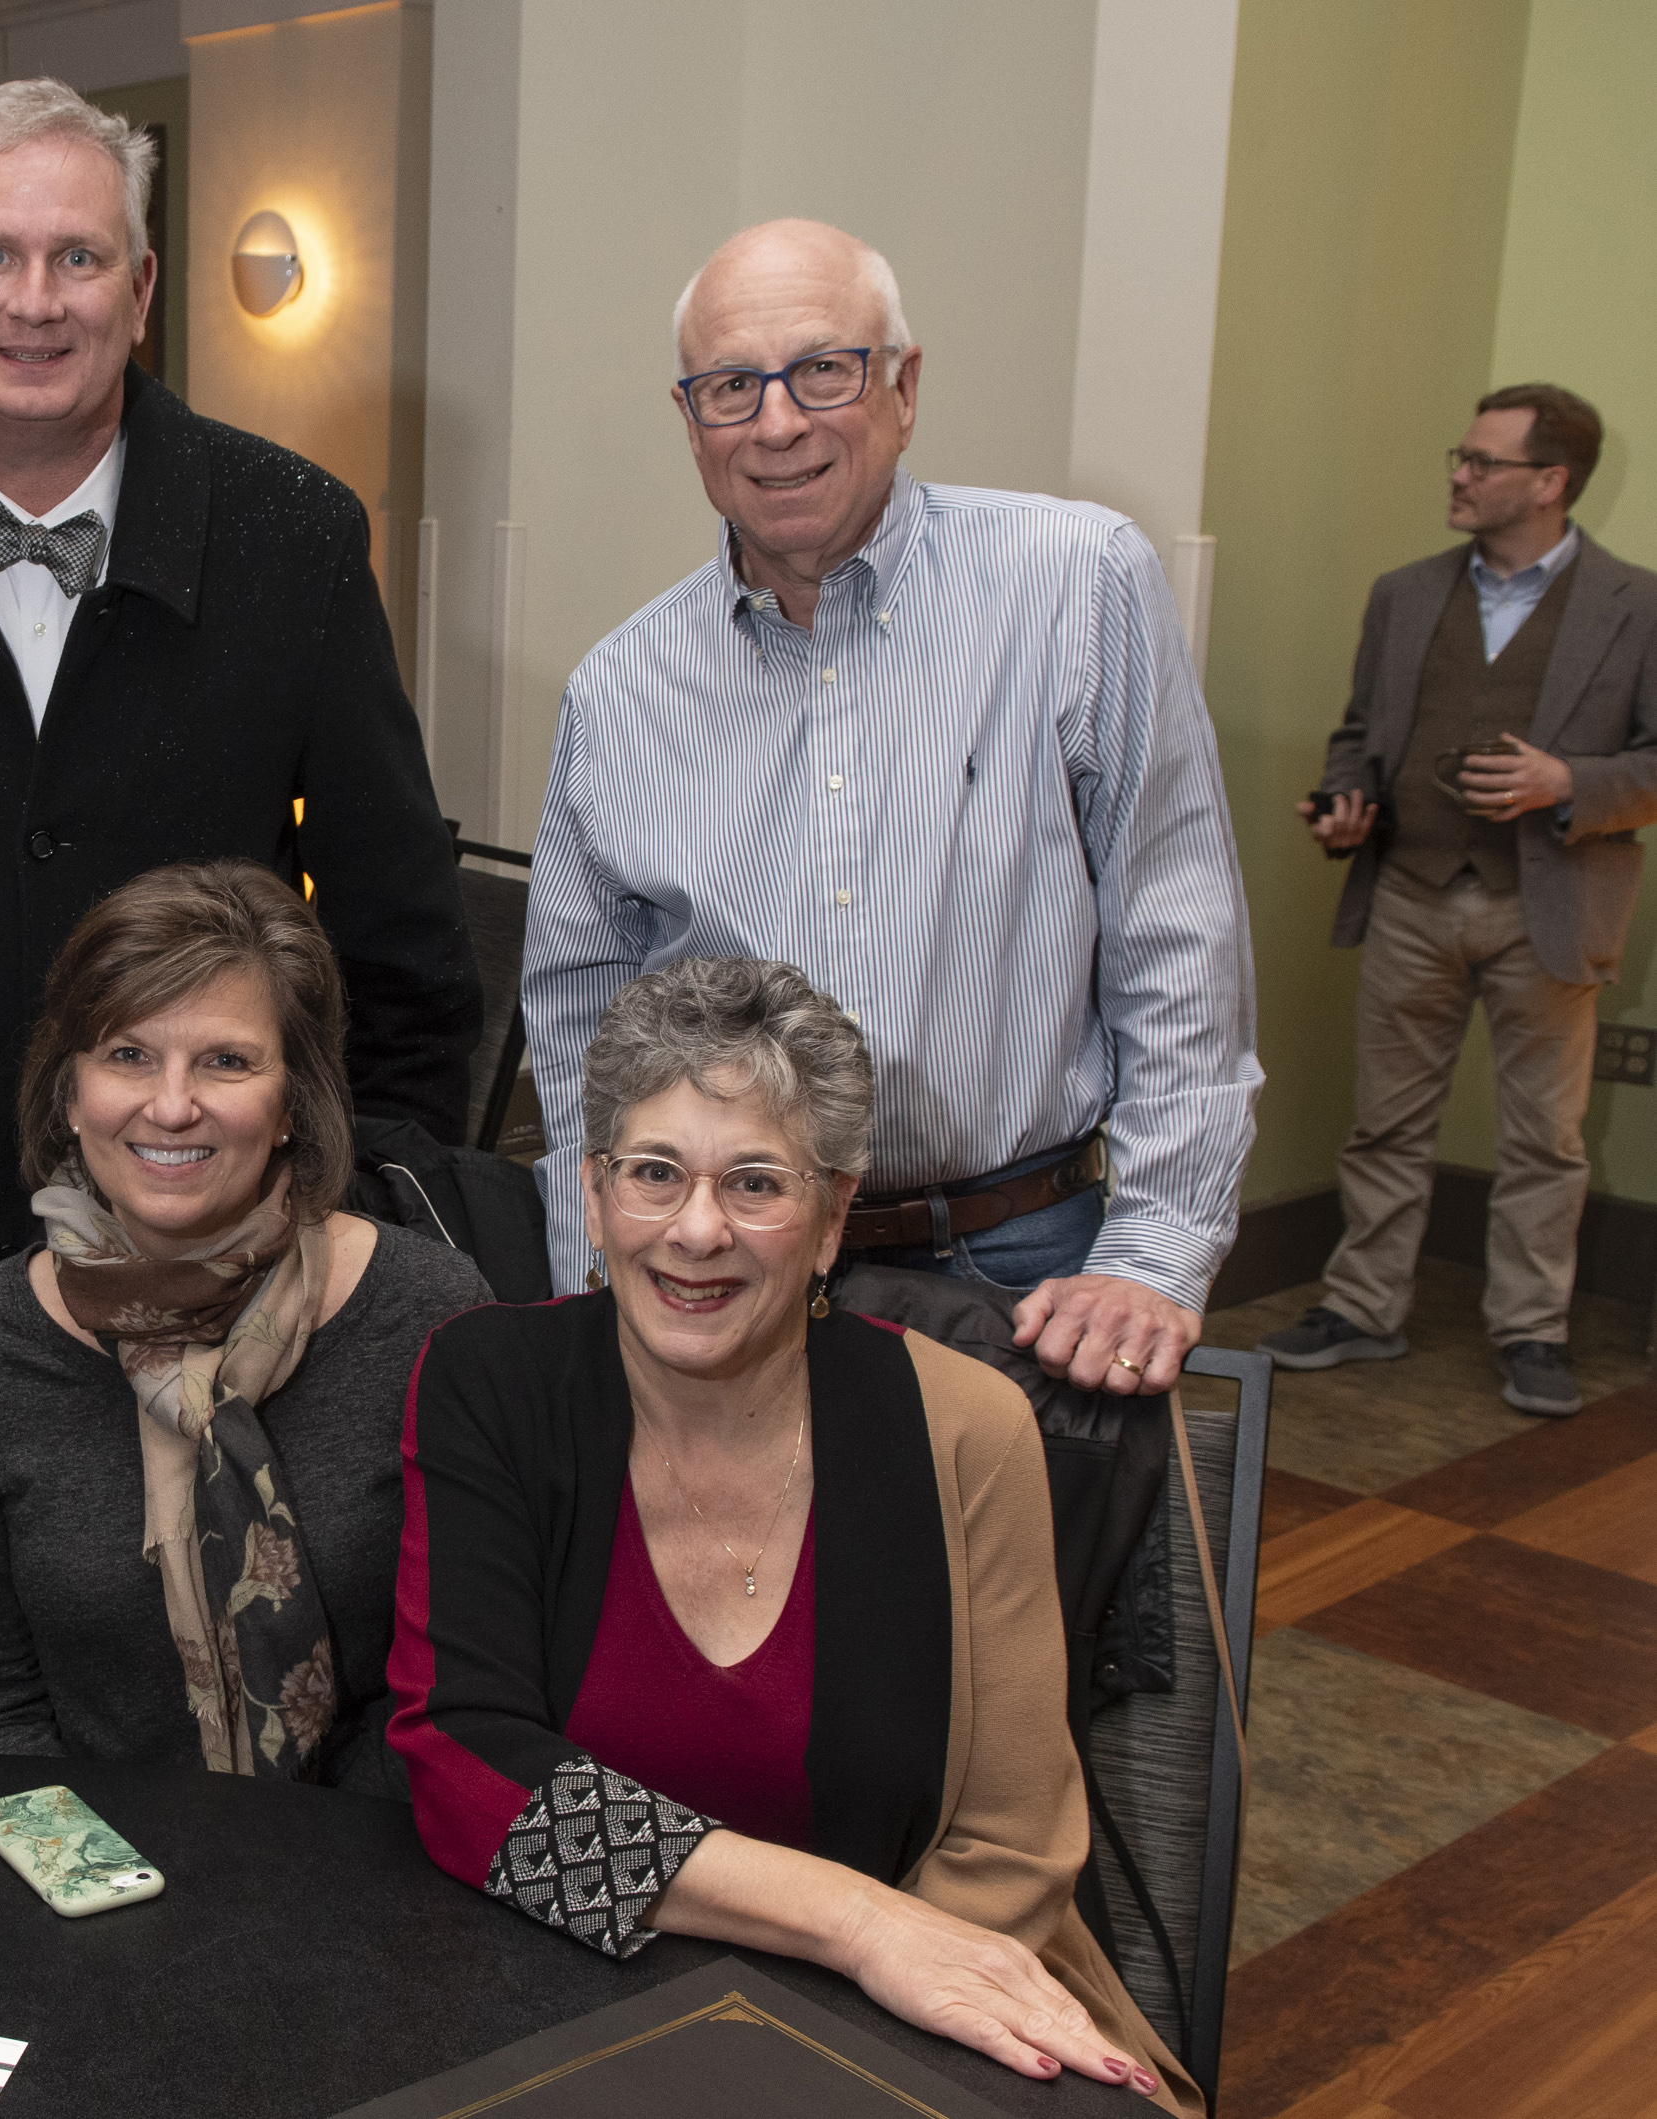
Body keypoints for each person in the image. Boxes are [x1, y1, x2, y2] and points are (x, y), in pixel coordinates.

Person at [0, 77, 479, 1324]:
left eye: (78, 256)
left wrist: (349, 1221)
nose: (33, 301)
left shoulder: (290, 536)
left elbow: (398, 937)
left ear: (137, 291)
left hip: (213, 1260)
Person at [390, 957, 1192, 2113]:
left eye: (756, 1183)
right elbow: (463, 1763)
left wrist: (817, 2022)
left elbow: (1011, 1847)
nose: (696, 1229)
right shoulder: (486, 1381)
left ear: (828, 1221)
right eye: (652, 1173)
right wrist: (852, 1921)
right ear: (592, 1193)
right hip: (559, 2002)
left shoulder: (963, 1424)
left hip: (904, 2028)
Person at [525, 217, 1257, 1399]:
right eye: (729, 387)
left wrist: (1155, 1252)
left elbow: (1175, 939)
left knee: (1025, 1590)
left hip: (1031, 1267)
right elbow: (578, 1042)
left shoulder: (1075, 587)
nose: (775, 423)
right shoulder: (617, 693)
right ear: (689, 418)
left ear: (902, 386)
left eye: (823, 369)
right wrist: (596, 1294)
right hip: (729, 1268)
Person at [0, 862, 491, 1790]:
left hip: (376, 1865)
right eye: (127, 1055)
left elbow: (464, 1681)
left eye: (226, 1060)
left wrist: (300, 1873)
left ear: (294, 1099)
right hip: (94, 1887)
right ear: (68, 1093)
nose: (171, 1105)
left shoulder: (429, 1312)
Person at [1266, 385, 1657, 1415]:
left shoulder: (1636, 605)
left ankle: (1530, 1327)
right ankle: (1360, 1307)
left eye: (1481, 462)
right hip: (1410, 890)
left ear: (1549, 482)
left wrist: (1567, 783)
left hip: (1553, 900)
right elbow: (1358, 734)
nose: (1457, 474)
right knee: (1383, 1123)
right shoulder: (1402, 594)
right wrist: (1345, 801)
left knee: (1542, 1137)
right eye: (1460, 456)